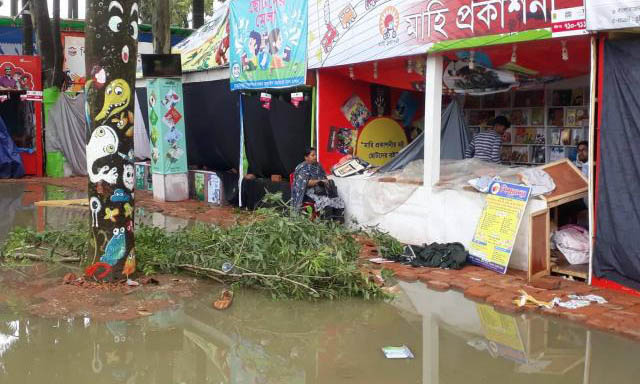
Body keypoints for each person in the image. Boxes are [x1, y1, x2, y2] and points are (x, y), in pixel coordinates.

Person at [291, 148, 345, 220]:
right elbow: (306, 183)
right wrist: (319, 181)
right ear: (306, 157)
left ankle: (338, 224)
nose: (315, 157)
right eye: (312, 155)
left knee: (338, 199)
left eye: (315, 155)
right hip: (308, 192)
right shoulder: (302, 168)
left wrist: (326, 182)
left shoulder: (318, 166)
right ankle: (326, 224)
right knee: (326, 201)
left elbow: (324, 177)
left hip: (321, 190)